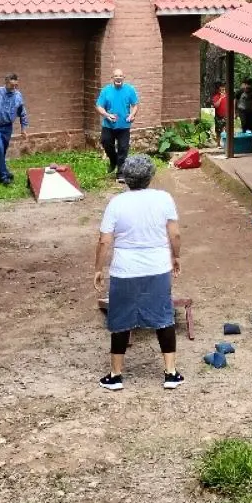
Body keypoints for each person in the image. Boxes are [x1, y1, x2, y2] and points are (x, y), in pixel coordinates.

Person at [94, 154, 184, 392]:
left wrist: (98, 268)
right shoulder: (163, 199)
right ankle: (171, 373)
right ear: (150, 176)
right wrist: (176, 256)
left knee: (121, 319)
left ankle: (115, 375)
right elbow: (174, 234)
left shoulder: (116, 203)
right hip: (156, 265)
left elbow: (104, 241)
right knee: (163, 316)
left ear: (126, 178)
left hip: (125, 268)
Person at [96, 67, 139, 176]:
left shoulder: (130, 90)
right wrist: (107, 114)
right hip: (108, 125)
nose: (118, 78)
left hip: (124, 125)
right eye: (116, 76)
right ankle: (113, 161)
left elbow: (135, 105)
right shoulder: (106, 91)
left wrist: (132, 115)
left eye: (120, 76)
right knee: (106, 143)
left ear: (123, 78)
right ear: (112, 78)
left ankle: (120, 173)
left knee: (123, 149)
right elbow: (99, 106)